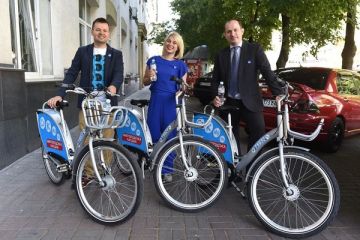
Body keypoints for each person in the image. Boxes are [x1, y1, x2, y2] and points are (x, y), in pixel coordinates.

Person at [47, 17, 124, 182]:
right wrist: (61, 93)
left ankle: (105, 169)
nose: (101, 33)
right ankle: (88, 173)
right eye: (98, 30)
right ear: (92, 31)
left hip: (108, 103)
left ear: (108, 34)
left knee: (108, 137)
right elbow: (72, 73)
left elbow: (118, 74)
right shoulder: (83, 51)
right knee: (88, 138)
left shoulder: (116, 54)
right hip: (87, 103)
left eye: (104, 30)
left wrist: (114, 86)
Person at [212, 19, 283, 154]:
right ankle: (233, 171)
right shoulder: (221, 55)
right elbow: (215, 80)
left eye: (235, 30)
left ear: (242, 31)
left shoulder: (254, 49)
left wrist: (277, 92)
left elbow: (266, 71)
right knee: (228, 138)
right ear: (225, 35)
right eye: (229, 31)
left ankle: (252, 170)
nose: (233, 34)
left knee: (258, 133)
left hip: (250, 101)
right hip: (228, 103)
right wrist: (215, 96)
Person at [143, 32, 188, 180]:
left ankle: (167, 169)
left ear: (178, 47)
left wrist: (183, 88)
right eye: (169, 41)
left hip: (171, 103)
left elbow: (183, 86)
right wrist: (149, 76)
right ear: (165, 43)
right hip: (156, 100)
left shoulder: (180, 65)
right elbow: (145, 82)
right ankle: (155, 164)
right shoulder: (153, 60)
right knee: (154, 133)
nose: (170, 44)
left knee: (170, 136)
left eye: (174, 43)